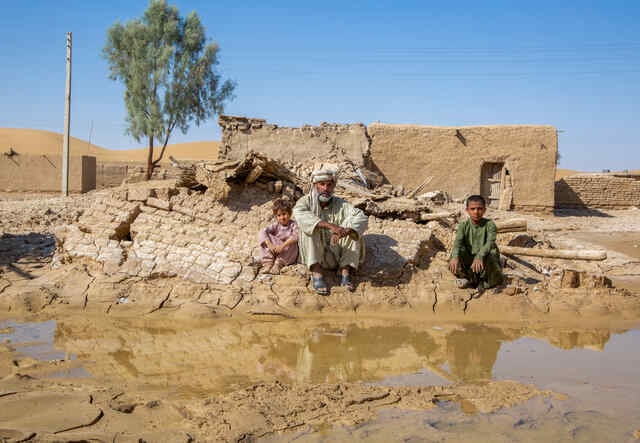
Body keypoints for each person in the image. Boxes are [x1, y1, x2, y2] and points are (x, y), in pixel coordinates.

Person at [293, 169, 368, 295]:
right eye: (322, 184)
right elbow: (300, 215)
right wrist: (330, 226)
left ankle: (345, 273)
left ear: (334, 186)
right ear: (315, 185)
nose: (326, 188)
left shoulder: (341, 204)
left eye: (329, 185)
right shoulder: (305, 202)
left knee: (353, 228)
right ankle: (317, 274)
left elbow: (361, 216)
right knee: (310, 228)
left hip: (336, 254)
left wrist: (344, 231)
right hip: (316, 256)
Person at [449, 195, 504, 290]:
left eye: (479, 208)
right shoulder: (463, 225)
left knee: (492, 253)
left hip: (485, 259)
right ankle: (466, 278)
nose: (476, 212)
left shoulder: (490, 225)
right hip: (470, 261)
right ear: (467, 210)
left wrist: (480, 256)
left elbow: (490, 242)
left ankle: (486, 283)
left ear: (484, 210)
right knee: (456, 253)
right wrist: (454, 257)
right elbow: (458, 242)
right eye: (473, 209)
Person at [258, 198, 299, 274]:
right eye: (279, 215)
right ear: (276, 217)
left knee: (292, 243)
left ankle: (278, 265)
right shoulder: (276, 225)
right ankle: (268, 264)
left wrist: (283, 246)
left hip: (287, 252)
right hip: (276, 249)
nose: (282, 217)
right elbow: (263, 231)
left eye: (284, 214)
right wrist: (269, 244)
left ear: (289, 214)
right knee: (263, 235)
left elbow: (296, 235)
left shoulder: (293, 224)